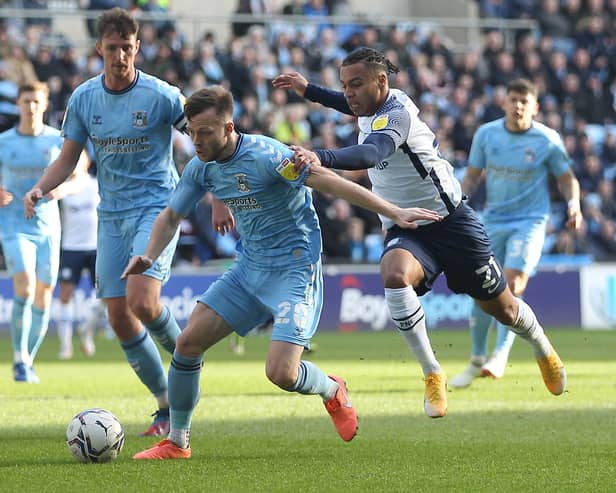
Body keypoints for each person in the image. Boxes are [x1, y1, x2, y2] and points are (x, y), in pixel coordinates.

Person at [125, 85, 442, 459]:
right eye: (192, 132)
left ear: (229, 128)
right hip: (249, 269)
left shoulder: (269, 155)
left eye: (205, 132)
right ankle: (178, 442)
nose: (196, 140)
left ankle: (331, 389)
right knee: (187, 343)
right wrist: (148, 255)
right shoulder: (200, 167)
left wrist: (392, 212)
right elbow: (171, 216)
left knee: (281, 373)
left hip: (294, 269)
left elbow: (329, 182)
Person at [272, 47, 568, 420]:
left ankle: (542, 347)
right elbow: (349, 106)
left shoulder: (397, 114)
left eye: (356, 85)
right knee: (394, 275)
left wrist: (320, 156)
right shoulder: (368, 105)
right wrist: (309, 90)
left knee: (504, 308)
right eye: (345, 85)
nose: (349, 93)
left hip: (452, 222)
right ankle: (432, 372)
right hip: (406, 225)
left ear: (382, 82)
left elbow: (369, 153)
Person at [23, 8, 221, 435]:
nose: (120, 57)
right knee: (118, 316)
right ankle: (166, 403)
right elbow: (68, 159)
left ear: (137, 47)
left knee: (143, 301)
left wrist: (218, 195)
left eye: (127, 48)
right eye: (112, 49)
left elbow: (206, 138)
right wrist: (40, 188)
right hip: (110, 214)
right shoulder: (83, 99)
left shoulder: (162, 95)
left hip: (157, 208)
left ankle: (186, 356)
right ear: (99, 49)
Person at [449, 79, 582, 388]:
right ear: (504, 103)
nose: (518, 106)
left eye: (525, 101)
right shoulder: (486, 135)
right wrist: (455, 203)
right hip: (493, 220)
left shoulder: (547, 140)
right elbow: (471, 177)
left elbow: (567, 178)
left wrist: (573, 204)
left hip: (530, 221)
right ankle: (477, 358)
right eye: (513, 100)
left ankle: (500, 355)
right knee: (482, 288)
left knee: (512, 283)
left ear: (535, 107)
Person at [0, 81, 87, 383]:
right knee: (24, 285)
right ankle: (20, 359)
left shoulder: (57, 140)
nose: (31, 107)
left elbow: (81, 176)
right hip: (12, 224)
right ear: (19, 105)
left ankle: (29, 359)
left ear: (45, 104)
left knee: (44, 293)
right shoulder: (4, 141)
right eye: (26, 102)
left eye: (36, 102)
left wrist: (61, 190)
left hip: (48, 226)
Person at [56, 163, 107, 360]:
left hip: (95, 246)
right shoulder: (63, 187)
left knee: (105, 293)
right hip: (71, 247)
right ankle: (65, 345)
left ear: (86, 162)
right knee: (65, 294)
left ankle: (87, 331)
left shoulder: (96, 185)